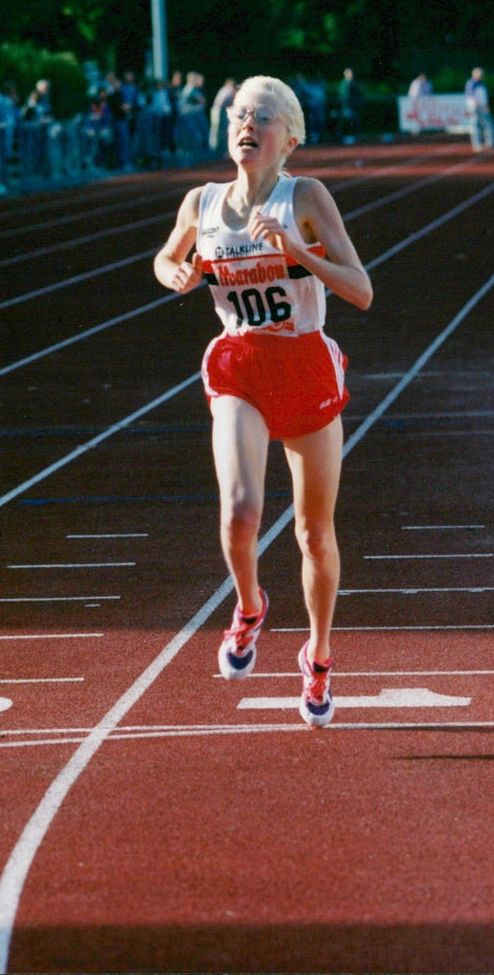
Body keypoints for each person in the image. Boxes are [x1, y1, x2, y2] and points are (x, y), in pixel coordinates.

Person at [154, 75, 373, 727]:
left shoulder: (304, 195)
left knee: (313, 532)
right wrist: (182, 275)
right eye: (238, 116)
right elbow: (166, 261)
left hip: (304, 365)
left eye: (263, 117)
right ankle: (249, 608)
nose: (246, 124)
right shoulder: (202, 202)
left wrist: (299, 251)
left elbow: (361, 290)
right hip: (240, 364)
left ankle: (320, 653)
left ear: (291, 139)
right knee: (241, 512)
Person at [464, 67, 494, 152]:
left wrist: (486, 105)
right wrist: (475, 106)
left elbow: (483, 97)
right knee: (476, 125)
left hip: (482, 107)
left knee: (488, 124)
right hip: (476, 107)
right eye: (480, 74)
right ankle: (477, 145)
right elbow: (470, 96)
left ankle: (490, 143)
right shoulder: (471, 83)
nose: (482, 75)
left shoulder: (481, 83)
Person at [337, 67, 362, 144]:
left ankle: (352, 137)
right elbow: (343, 96)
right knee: (346, 122)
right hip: (346, 107)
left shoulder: (354, 83)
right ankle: (346, 138)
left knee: (354, 122)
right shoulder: (343, 84)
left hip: (353, 106)